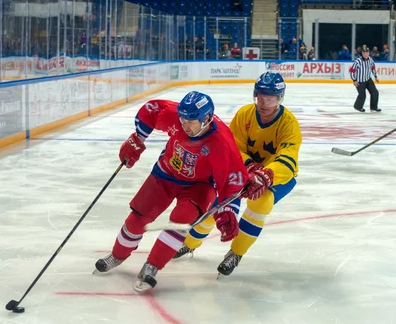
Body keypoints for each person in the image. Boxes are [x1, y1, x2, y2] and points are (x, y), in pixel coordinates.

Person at [94, 92, 248, 291]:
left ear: (207, 119)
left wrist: (228, 211)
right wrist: (137, 138)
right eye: (182, 120)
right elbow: (151, 110)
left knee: (180, 220)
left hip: (199, 185)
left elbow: (231, 181)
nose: (184, 125)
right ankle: (117, 255)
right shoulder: (176, 115)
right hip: (165, 173)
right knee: (137, 219)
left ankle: (152, 266)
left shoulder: (222, 142)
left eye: (191, 122)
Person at [174, 72, 302, 277]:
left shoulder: (289, 124)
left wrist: (266, 175)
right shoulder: (244, 114)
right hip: (243, 171)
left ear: (279, 98)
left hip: (278, 177)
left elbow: (288, 159)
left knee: (261, 203)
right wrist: (248, 166)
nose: (263, 102)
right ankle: (189, 243)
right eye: (260, 96)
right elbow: (231, 147)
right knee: (217, 204)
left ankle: (236, 252)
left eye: (269, 98)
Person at [350, 46, 381, 112]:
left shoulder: (370, 59)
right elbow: (352, 70)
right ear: (362, 53)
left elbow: (373, 68)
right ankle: (358, 106)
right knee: (362, 95)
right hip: (360, 81)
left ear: (369, 53)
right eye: (364, 53)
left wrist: (375, 76)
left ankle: (373, 107)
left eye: (367, 53)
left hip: (368, 79)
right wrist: (354, 80)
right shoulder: (357, 61)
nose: (365, 54)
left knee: (375, 92)